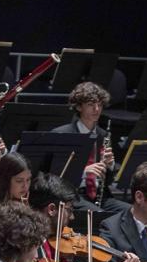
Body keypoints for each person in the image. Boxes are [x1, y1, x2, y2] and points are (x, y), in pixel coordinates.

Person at [49, 81, 126, 215]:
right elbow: (54, 175)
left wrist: (110, 165)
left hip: (99, 196)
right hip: (72, 195)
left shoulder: (103, 135)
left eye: (100, 104)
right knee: (98, 214)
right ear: (79, 107)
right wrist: (84, 171)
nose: (97, 109)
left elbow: (107, 181)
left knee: (129, 212)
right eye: (91, 105)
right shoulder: (63, 134)